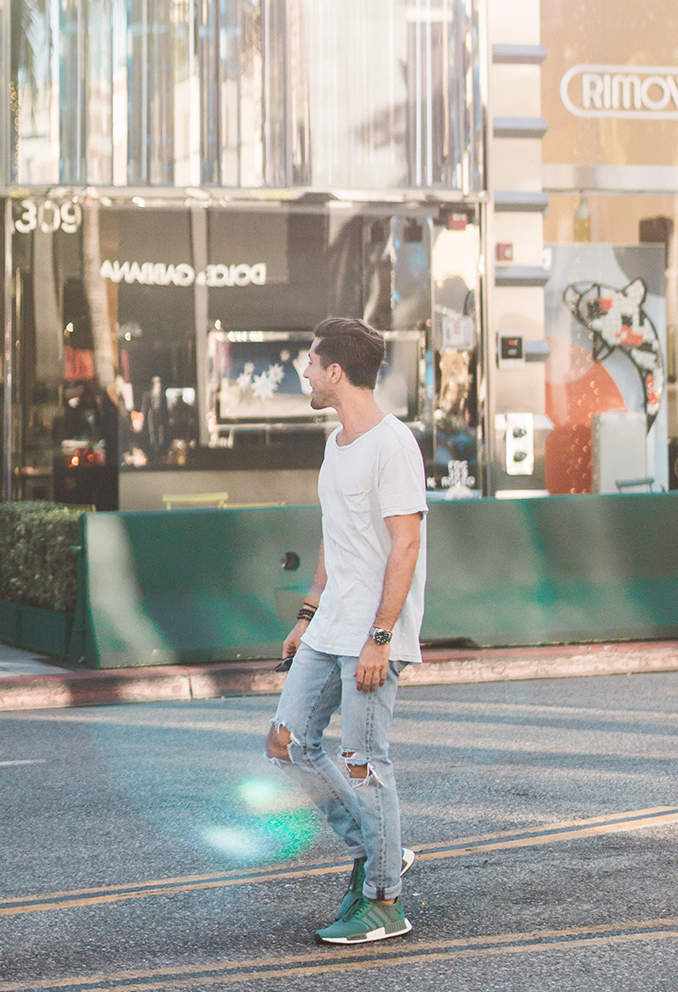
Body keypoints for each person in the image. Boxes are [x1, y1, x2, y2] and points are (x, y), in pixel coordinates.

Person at [266, 316, 426, 946]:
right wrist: (307, 616)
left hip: (371, 634)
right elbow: (336, 538)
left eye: (309, 361)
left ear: (335, 372)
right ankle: (380, 848)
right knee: (287, 742)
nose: (303, 371)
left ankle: (385, 902)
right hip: (331, 624)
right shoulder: (336, 445)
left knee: (363, 763)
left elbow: (406, 543)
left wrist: (380, 637)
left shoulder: (393, 444)